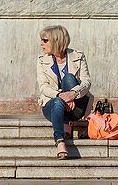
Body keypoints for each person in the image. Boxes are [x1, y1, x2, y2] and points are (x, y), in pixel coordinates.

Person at [37, 25, 93, 159]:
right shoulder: (41, 61)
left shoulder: (78, 56)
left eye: (45, 40)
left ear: (56, 40)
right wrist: (60, 96)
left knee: (69, 77)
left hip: (77, 106)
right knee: (57, 101)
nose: (41, 44)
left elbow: (86, 82)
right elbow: (43, 87)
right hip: (53, 106)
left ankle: (67, 125)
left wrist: (73, 94)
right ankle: (60, 141)